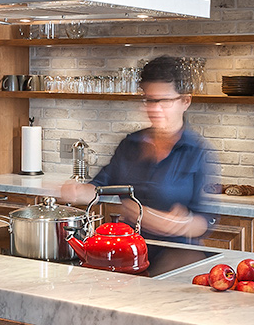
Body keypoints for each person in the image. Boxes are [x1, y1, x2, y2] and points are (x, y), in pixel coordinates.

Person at [58, 56, 217, 243]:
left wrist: (175, 223)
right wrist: (77, 192)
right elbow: (100, 187)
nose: (155, 109)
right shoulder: (130, 144)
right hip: (128, 249)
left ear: (185, 101)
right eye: (150, 100)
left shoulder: (198, 152)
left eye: (164, 101)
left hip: (176, 253)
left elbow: (204, 220)